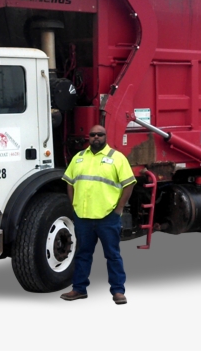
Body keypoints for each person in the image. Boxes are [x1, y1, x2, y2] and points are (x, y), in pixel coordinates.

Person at [60, 125, 136, 305]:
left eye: (100, 134)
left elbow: (129, 184)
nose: (96, 137)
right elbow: (69, 183)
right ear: (89, 137)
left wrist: (118, 209)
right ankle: (79, 289)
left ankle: (118, 291)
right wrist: (74, 205)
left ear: (105, 136)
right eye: (93, 134)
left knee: (113, 255)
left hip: (107, 217)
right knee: (82, 255)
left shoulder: (117, 158)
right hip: (83, 217)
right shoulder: (78, 158)